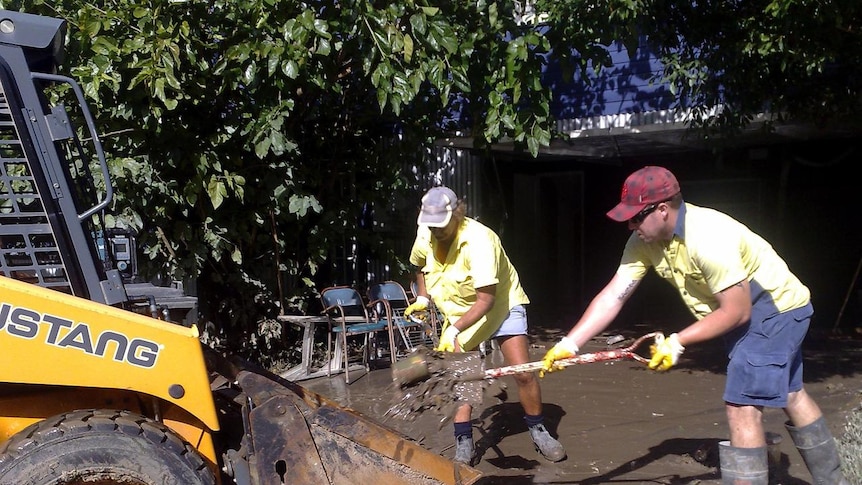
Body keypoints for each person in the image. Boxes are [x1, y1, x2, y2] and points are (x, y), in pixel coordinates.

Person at [541, 166, 848, 484]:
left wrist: (677, 341)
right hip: (748, 311)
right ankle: (835, 481)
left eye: (635, 217)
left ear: (662, 209)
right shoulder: (643, 241)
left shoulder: (707, 237)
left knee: (740, 406)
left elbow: (737, 312)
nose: (630, 225)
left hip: (773, 309)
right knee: (791, 393)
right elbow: (613, 297)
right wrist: (570, 344)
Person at [403, 186, 566, 465]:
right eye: (431, 226)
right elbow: (419, 265)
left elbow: (486, 299)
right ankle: (464, 442)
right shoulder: (426, 231)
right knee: (462, 377)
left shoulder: (480, 240)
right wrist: (422, 296)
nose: (436, 231)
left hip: (500, 303)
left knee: (523, 373)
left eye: (442, 225)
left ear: (457, 213)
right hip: (458, 309)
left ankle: (540, 430)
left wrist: (454, 329)